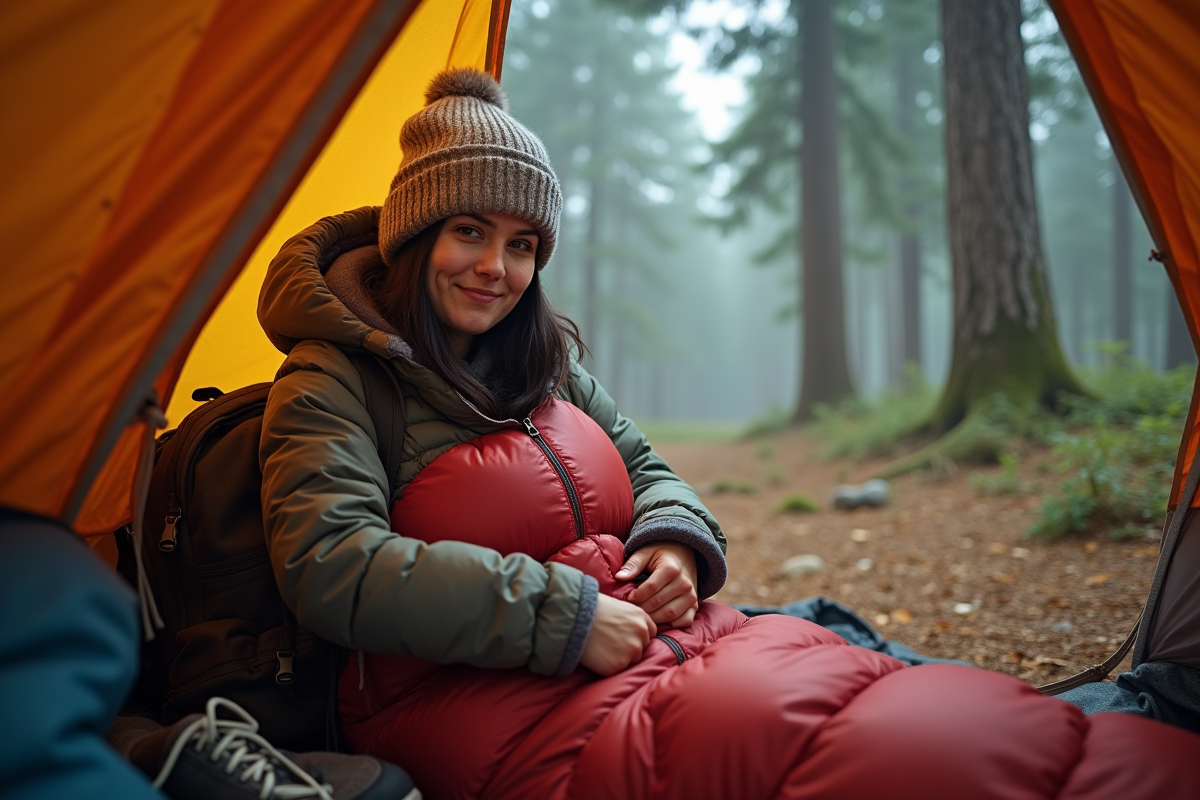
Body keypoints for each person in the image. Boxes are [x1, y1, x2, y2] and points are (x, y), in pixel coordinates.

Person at [257, 68, 1200, 800]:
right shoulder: (333, 379)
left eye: (523, 244)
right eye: (470, 232)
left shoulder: (542, 360)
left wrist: (674, 538)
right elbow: (333, 565)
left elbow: (647, 466)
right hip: (485, 706)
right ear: (414, 233)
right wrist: (565, 616)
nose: (497, 269)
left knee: (947, 723)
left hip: (670, 646)